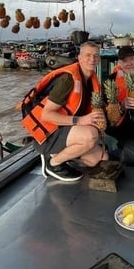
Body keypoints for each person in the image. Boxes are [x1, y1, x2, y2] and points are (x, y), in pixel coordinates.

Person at [21, 41, 108, 182]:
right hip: (49, 136)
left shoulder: (92, 81)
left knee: (101, 158)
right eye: (88, 55)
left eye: (95, 56)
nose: (92, 59)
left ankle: (64, 154)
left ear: (98, 59)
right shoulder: (68, 79)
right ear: (79, 58)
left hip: (68, 133)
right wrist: (80, 120)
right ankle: (53, 163)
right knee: (90, 135)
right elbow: (46, 114)